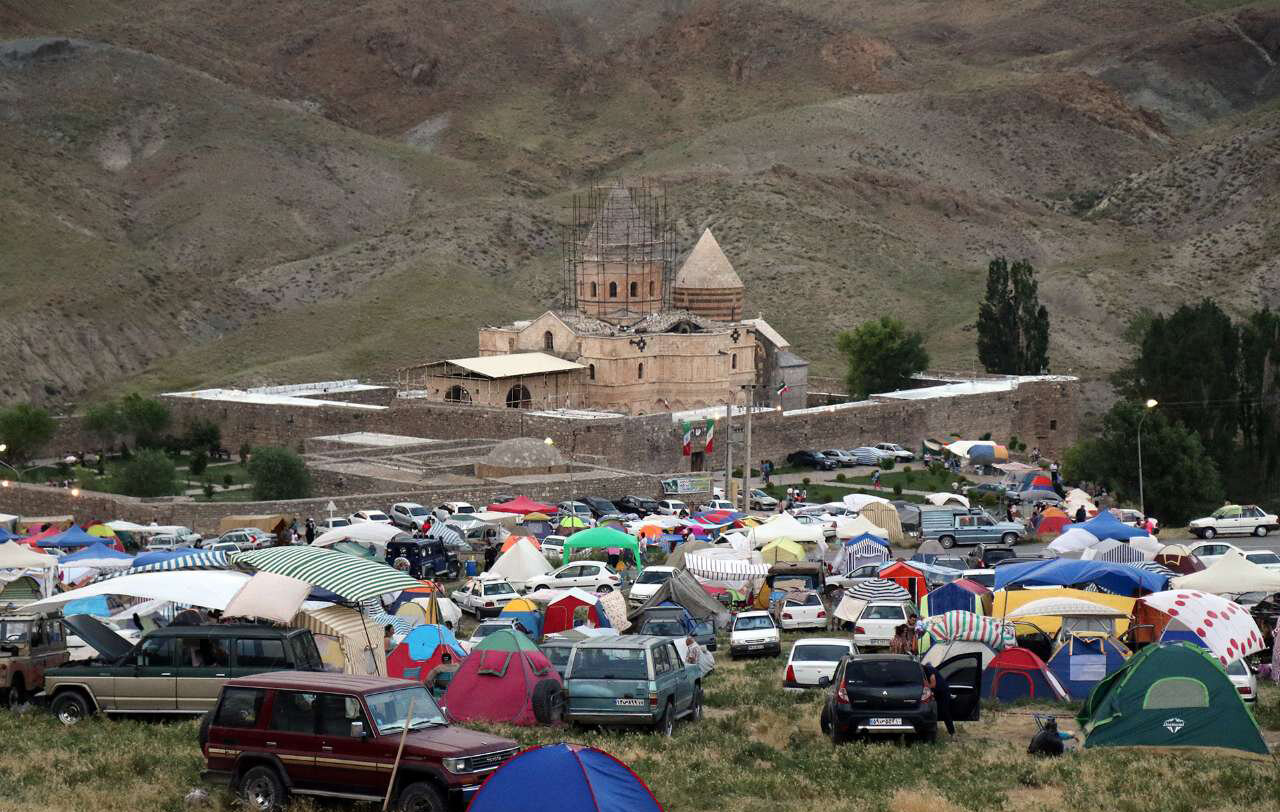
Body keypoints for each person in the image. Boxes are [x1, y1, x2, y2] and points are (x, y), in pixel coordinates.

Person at [922, 663, 955, 736]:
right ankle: (933, 731)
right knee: (933, 711)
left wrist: (926, 685)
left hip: (943, 692)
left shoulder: (928, 669)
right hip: (936, 692)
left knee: (945, 711)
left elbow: (933, 684)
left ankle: (952, 732)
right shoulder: (923, 672)